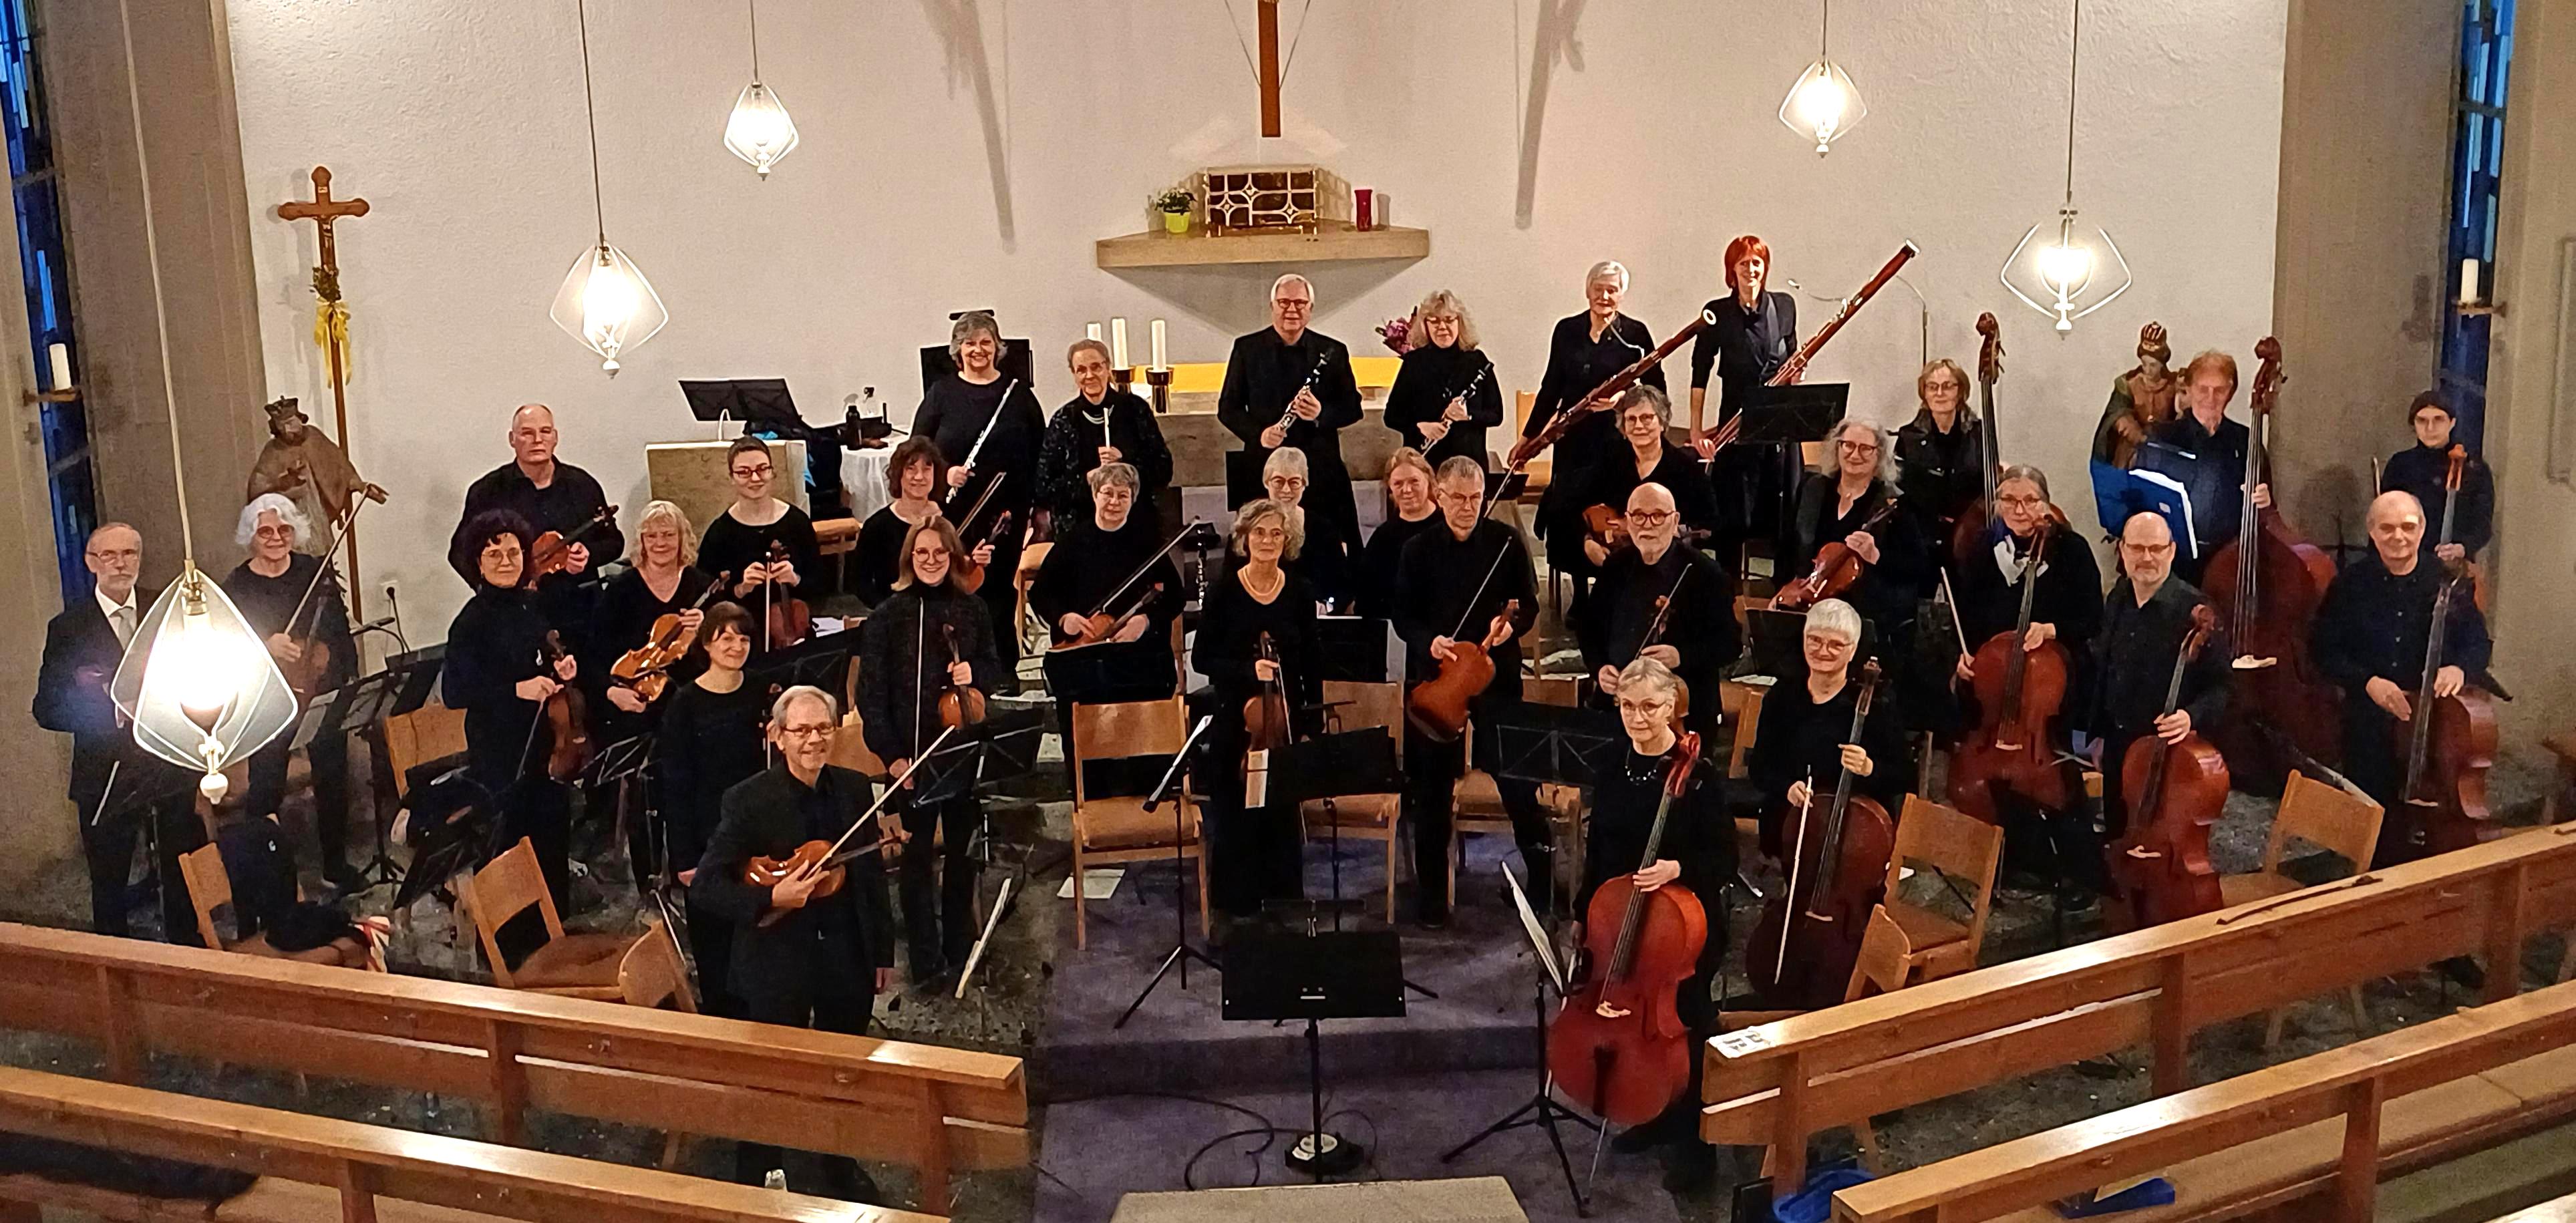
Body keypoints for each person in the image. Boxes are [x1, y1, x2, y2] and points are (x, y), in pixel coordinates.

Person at [691, 685, 896, 1202]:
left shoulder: (854, 788)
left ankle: (838, 1159)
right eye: (801, 730)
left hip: (845, 950)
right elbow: (706, 887)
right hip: (777, 956)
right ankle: (762, 1165)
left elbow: (870, 876)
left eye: (823, 728)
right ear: (778, 736)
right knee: (772, 1073)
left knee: (842, 1069)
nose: (814, 740)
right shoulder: (747, 799)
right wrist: (772, 896)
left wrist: (882, 951)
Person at [1585, 657, 1732, 1161]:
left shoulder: (1698, 777)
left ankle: (1698, 1140)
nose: (1638, 717)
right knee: (1638, 1021)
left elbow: (1726, 858)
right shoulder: (1613, 764)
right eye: (1628, 706)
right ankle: (1654, 1113)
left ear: (1671, 707)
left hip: (1683, 928)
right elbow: (1598, 847)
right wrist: (1584, 915)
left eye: (1650, 706)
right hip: (1620, 919)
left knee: (1686, 1022)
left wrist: (1677, 868)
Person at [1393, 457, 1548, 926]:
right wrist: (1430, 642)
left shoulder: (1506, 542)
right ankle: (1432, 898)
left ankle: (1542, 887)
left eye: (1476, 497)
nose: (1467, 506)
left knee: (1516, 779)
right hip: (1438, 681)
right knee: (1432, 790)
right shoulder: (1417, 549)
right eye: (1458, 497)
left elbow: (1528, 604)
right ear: (1438, 496)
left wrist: (1510, 628)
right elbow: (1403, 616)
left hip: (1495, 677)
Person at [33, 523, 203, 942]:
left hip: (169, 763)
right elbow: (46, 709)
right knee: (109, 882)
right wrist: (107, 710)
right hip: (105, 773)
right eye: (109, 555)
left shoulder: (166, 611)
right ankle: (114, 963)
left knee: (180, 869)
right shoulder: (68, 627)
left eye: (129, 554)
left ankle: (186, 953)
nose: (121, 564)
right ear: (91, 563)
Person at [856, 516, 1001, 983]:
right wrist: (893, 757)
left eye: (940, 552)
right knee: (916, 862)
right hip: (910, 756)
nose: (931, 560)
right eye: (922, 553)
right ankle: (925, 960)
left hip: (961, 750)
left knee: (962, 854)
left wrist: (975, 674)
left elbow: (995, 668)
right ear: (909, 558)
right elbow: (870, 697)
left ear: (953, 557)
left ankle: (959, 949)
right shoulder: (888, 616)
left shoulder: (972, 608)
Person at [2311, 491, 2492, 862]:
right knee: (2373, 814)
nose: (2399, 537)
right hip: (2370, 720)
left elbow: (2477, 642)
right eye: (2387, 528)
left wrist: (2459, 668)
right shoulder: (2351, 584)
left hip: (2435, 720)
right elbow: (2323, 648)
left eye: (2408, 527)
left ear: (2422, 529)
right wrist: (2367, 682)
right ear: (2372, 532)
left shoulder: (2449, 582)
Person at [222, 494, 362, 894]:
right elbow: (227, 642)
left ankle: (335, 865)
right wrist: (265, 646)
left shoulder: (314, 572)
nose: (276, 538)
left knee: (333, 777)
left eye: (284, 529)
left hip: (318, 690)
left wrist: (337, 670)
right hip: (270, 699)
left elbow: (338, 628)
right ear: (251, 536)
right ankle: (268, 874)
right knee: (266, 783)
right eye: (265, 531)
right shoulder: (238, 585)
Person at [442, 510, 581, 910]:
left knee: (551, 834)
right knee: (508, 842)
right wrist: (517, 690)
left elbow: (543, 655)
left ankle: (553, 925)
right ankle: (510, 936)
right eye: (494, 555)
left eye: (514, 553)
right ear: (478, 563)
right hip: (500, 751)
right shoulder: (471, 621)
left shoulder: (531, 605)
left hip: (544, 743)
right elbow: (455, 692)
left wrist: (561, 668)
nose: (506, 562)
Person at [1191, 499, 1323, 922]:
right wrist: (1249, 669)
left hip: (1285, 716)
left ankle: (1283, 901)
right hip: (1235, 717)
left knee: (1282, 809)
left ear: (1288, 541)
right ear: (1244, 539)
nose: (1267, 541)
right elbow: (1202, 659)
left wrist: (1311, 721)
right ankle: (1237, 905)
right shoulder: (1225, 592)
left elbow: (1312, 660)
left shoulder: (1300, 591)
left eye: (1276, 534)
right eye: (1259, 533)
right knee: (1236, 812)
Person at [2086, 512, 2230, 844]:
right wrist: (2100, 734)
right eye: (2137, 548)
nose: (2147, 558)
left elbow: (2223, 686)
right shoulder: (2119, 596)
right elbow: (2107, 671)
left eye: (2156, 548)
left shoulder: (2196, 612)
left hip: (2166, 754)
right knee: (2118, 836)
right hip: (2119, 746)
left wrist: (2190, 716)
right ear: (2122, 550)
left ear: (2172, 550)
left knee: (2162, 841)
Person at [1526, 261, 1661, 604]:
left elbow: (1656, 389)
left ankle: (1611, 589)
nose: (1604, 296)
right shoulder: (1567, 330)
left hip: (1616, 441)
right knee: (1571, 512)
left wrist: (1622, 400)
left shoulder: (1636, 335)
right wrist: (1528, 438)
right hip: (1572, 440)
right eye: (1598, 289)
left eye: (1612, 290)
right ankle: (1579, 596)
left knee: (1610, 515)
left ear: (1622, 294)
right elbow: (1551, 387)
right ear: (1588, 291)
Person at [914, 311, 1044, 668]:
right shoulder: (941, 393)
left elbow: (1040, 451)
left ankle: (1001, 666)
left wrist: (1036, 509)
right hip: (956, 510)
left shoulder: (1018, 395)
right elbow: (918, 451)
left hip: (1007, 511)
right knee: (958, 585)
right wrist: (946, 474)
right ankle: (957, 664)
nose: (978, 350)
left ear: (997, 348)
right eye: (970, 343)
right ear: (958, 349)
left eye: (986, 342)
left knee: (999, 586)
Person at [656, 602, 764, 1017]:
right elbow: (676, 785)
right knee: (715, 943)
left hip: (755, 832)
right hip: (706, 835)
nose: (736, 646)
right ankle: (722, 1023)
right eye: (726, 638)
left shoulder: (760, 690)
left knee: (754, 934)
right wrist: (684, 858)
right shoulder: (684, 704)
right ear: (706, 644)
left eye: (743, 638)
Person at [1745, 598, 1906, 856]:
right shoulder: (1781, 697)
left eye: (1836, 645)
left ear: (1853, 650)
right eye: (1815, 640)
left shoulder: (1876, 706)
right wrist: (1787, 788)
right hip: (1789, 821)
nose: (1823, 651)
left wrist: (1869, 768)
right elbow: (1760, 767)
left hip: (1852, 832)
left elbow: (1903, 776)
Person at [1578, 482, 1738, 740]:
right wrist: (1600, 668)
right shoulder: (1615, 567)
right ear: (1628, 521)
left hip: (1682, 712)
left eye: (1658, 516)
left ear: (1674, 521)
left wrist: (1681, 656)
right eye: (1639, 516)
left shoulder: (1705, 573)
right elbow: (1589, 629)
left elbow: (1730, 644)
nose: (1648, 525)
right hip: (1619, 705)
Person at [1219, 273, 1363, 558]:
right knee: (1260, 545)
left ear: (1310, 308)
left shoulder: (1333, 351)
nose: (1292, 310)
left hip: (1319, 468)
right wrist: (1259, 434)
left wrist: (1321, 413)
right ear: (1272, 306)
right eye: (1284, 302)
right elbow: (1228, 408)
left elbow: (1353, 407)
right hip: (1265, 466)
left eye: (1300, 303)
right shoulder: (1247, 349)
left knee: (1328, 547)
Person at [1691, 234, 1802, 543]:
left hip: (1779, 424)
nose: (1750, 270)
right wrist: (1696, 430)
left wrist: (1796, 376)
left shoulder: (1784, 306)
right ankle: (1729, 574)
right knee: (1734, 514)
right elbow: (1700, 373)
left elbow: (1793, 355)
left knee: (1782, 515)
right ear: (1732, 269)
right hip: (1735, 424)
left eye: (1757, 263)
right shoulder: (1717, 312)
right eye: (1743, 263)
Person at [1951, 466, 2102, 688]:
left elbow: (2093, 618)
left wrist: (2051, 630)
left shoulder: (2072, 549)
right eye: (2009, 500)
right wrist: (1964, 653)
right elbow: (1967, 614)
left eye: (2030, 500)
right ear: (1998, 504)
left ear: (2045, 504)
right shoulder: (1984, 546)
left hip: (2057, 675)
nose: (2019, 510)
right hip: (1994, 671)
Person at [2134, 350, 2271, 586]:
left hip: (2231, 565)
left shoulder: (2246, 441)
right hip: (2174, 565)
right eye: (2203, 389)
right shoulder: (2162, 438)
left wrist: (2265, 501)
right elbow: (2142, 502)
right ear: (2188, 389)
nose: (2210, 397)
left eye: (2219, 390)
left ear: (2230, 392)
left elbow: (2267, 512)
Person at [1784, 418, 1930, 632]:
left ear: (1879, 455)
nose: (1854, 455)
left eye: (1865, 448)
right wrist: (1784, 590)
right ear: (1837, 447)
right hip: (1806, 604)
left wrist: (1877, 557)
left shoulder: (1894, 504)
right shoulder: (1813, 489)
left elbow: (1918, 566)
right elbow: (1789, 545)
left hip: (1865, 612)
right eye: (1848, 445)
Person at [456, 403, 621, 586]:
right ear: (512, 439)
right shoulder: (488, 491)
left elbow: (614, 542)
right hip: (517, 602)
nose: (537, 440)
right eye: (527, 433)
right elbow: (460, 554)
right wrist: (493, 591)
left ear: (555, 438)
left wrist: (588, 554)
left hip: (580, 598)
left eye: (545, 431)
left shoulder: (582, 485)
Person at [1572, 385, 1723, 580]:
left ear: (1662, 423)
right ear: (1623, 427)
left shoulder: (1686, 468)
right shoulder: (1611, 462)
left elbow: (1709, 523)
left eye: (1646, 418)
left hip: (1668, 561)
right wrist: (1588, 542)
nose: (1638, 425)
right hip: (1617, 555)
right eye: (1631, 419)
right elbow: (1577, 505)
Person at [1029, 463, 1184, 651]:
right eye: (1107, 493)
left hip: (1138, 650)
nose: (1114, 502)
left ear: (1133, 500)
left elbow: (1175, 596)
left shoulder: (1147, 542)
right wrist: (1063, 618)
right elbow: (1041, 593)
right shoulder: (1072, 542)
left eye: (1123, 496)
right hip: (1083, 650)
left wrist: (1145, 621)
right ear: (1095, 495)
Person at [591, 500, 717, 718]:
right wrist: (611, 691)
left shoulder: (702, 586)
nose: (660, 543)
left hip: (693, 697)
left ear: (682, 538)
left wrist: (706, 628)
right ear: (642, 542)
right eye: (651, 536)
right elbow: (593, 653)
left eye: (669, 535)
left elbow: (724, 647)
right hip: (632, 694)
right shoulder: (621, 589)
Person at [1033, 338, 1172, 534]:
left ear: (1108, 368)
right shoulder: (1063, 420)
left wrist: (1126, 463)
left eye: (1096, 367)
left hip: (1135, 526)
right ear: (1074, 375)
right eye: (1081, 370)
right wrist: (1088, 480)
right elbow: (1044, 489)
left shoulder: (1135, 410)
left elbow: (1164, 470)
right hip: (1079, 530)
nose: (1089, 375)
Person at [697, 437, 821, 645]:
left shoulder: (797, 522)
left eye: (763, 469)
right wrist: (741, 589)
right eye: (744, 472)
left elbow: (821, 584)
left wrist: (795, 579)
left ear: (772, 472)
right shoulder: (720, 532)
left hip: (795, 636)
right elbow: (707, 599)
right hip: (741, 641)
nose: (755, 478)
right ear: (732, 477)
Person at [1382, 289, 1504, 468]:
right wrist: (1420, 427)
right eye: (1434, 321)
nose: (1442, 327)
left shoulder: (1477, 361)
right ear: (1425, 326)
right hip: (1425, 464)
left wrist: (1467, 415)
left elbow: (1496, 415)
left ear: (1460, 323)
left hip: (1468, 463)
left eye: (1449, 320)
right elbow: (1392, 416)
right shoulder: (1413, 362)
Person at [855, 437, 973, 608]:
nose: (919, 477)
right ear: (899, 474)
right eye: (911, 469)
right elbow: (860, 582)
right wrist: (888, 610)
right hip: (895, 613)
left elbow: (960, 572)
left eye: (927, 469)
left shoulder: (952, 518)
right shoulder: (877, 526)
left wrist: (974, 562)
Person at [2380, 390, 2494, 562]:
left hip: (2455, 565)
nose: (2430, 428)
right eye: (2422, 420)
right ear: (2413, 425)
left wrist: (2463, 547)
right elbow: (2386, 518)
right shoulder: (2400, 465)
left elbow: (2483, 525)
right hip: (2407, 562)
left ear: (2452, 422)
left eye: (2439, 419)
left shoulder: (2474, 468)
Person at [1893, 359, 1986, 548]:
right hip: (1922, 535)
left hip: (1970, 533)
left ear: (1960, 391)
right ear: (1924, 393)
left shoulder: (1980, 434)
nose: (1940, 393)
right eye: (1932, 387)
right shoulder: (1908, 437)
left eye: (1948, 386)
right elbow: (1902, 491)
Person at [1259, 446, 1352, 611]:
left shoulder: (1324, 530)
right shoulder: (1250, 528)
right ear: (1267, 483)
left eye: (1294, 482)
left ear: (1304, 485)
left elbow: (1342, 587)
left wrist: (1327, 606)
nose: (1286, 490)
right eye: (1278, 481)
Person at [1354, 448, 1441, 619]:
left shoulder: (1449, 528)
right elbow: (1366, 599)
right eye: (1398, 484)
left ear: (1429, 481)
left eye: (1414, 481)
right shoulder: (1382, 538)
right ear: (1390, 488)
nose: (1407, 490)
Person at [2093, 322, 2179, 469]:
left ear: (2162, 364)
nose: (2148, 370)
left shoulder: (2174, 386)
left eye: (2153, 365)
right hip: (2131, 453)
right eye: (2144, 364)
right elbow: (2119, 414)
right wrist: (2138, 436)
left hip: (2164, 452)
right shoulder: (2127, 384)